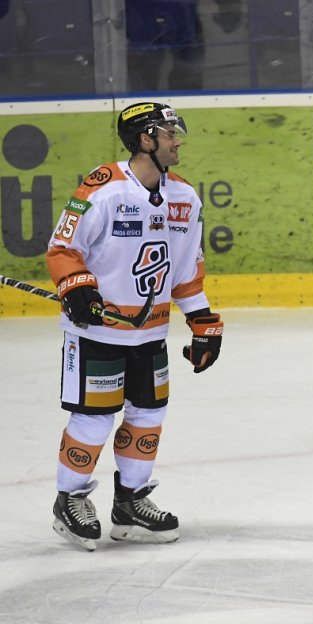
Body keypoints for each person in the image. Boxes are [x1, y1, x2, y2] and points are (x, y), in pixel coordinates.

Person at [46, 102, 222, 551]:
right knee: (94, 418)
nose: (177, 140)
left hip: (150, 333)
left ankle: (130, 501)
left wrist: (202, 321)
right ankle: (70, 499)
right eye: (169, 133)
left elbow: (186, 272)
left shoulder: (185, 197)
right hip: (97, 333)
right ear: (146, 139)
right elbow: (63, 247)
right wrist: (77, 287)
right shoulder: (103, 188)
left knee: (148, 415)